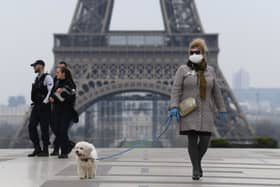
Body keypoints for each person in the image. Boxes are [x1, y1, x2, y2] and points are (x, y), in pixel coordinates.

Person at [169, 38, 227, 180]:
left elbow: (216, 92)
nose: (194, 53)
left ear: (203, 53)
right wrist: (174, 107)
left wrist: (222, 108)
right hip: (189, 111)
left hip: (206, 111)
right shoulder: (183, 70)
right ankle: (196, 169)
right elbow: (176, 90)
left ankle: (197, 163)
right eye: (191, 51)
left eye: (197, 51)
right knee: (192, 140)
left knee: (205, 140)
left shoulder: (210, 71)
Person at [50, 61, 77, 156]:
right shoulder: (56, 82)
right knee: (56, 129)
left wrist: (63, 92)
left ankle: (64, 152)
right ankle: (69, 144)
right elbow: (52, 92)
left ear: (63, 73)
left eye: (58, 72)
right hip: (57, 110)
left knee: (62, 130)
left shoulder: (70, 83)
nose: (56, 74)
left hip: (66, 111)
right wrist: (52, 96)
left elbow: (72, 96)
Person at [28, 60, 54, 157]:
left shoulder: (47, 77)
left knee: (44, 128)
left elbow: (50, 91)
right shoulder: (37, 79)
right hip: (36, 105)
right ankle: (37, 148)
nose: (34, 67)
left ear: (41, 66)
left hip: (44, 106)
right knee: (31, 126)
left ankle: (45, 150)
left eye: (35, 66)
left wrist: (44, 102)